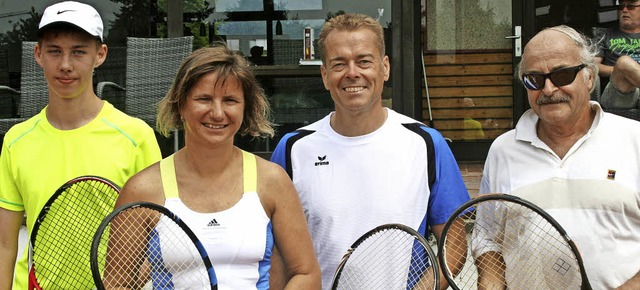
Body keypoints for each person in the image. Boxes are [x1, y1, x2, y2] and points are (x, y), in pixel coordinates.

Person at [269, 13, 470, 289]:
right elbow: (275, 251)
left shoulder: (426, 143)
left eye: (364, 61)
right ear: (325, 75)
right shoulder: (292, 148)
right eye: (339, 64)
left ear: (385, 68)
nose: (353, 73)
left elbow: (454, 245)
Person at [113, 43, 321, 289]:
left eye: (230, 100)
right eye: (204, 99)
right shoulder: (142, 189)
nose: (218, 113)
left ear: (246, 108)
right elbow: (117, 284)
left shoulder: (272, 181)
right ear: (181, 105)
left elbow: (306, 274)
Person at [0, 1, 162, 289]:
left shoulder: (136, 136)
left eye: (78, 52)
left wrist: (135, 274)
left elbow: (159, 234)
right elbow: (4, 245)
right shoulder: (16, 141)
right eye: (54, 51)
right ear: (38, 54)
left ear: (100, 55)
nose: (65, 65)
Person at [478, 25, 640, 289]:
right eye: (535, 79)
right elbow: (487, 236)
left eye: (562, 74)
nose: (549, 89)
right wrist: (490, 279)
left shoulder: (635, 139)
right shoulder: (502, 150)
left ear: (590, 77)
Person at [595, 0, 640, 109]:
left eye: (630, 6)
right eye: (621, 6)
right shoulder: (604, 35)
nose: (624, 10)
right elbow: (593, 66)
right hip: (619, 93)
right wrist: (621, 70)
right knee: (624, 63)